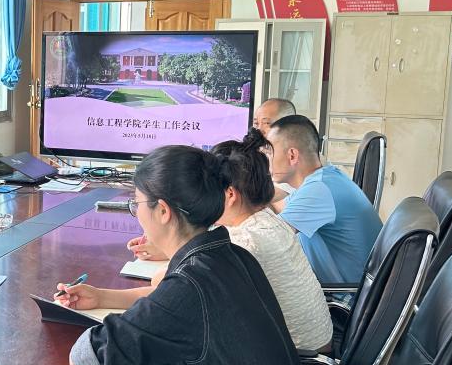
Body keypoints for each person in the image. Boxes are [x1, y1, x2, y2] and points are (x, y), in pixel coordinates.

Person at [57, 145, 309, 365]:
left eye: (137, 205)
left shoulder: (191, 283)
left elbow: (87, 355)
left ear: (163, 211)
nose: (137, 214)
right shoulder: (231, 255)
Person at [123, 130, 332, 352]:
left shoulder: (244, 242)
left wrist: (170, 245)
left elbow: (167, 284)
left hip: (298, 358)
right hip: (314, 345)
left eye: (208, 190)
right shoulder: (266, 220)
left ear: (230, 194)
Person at [267, 115, 383, 284]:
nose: (267, 160)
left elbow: (268, 239)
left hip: (341, 296)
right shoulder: (325, 179)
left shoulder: (318, 190)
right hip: (347, 288)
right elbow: (278, 207)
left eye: (270, 152)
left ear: (292, 155)